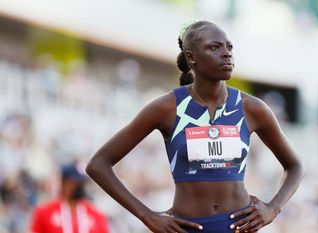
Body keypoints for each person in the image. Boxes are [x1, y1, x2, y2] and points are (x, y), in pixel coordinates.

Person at [86, 20, 304, 233]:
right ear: (192, 58)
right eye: (214, 47)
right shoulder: (167, 107)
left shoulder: (252, 108)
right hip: (186, 227)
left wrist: (273, 208)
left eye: (229, 47)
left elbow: (295, 166)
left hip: (239, 227)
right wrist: (147, 216)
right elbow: (98, 164)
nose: (227, 53)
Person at [30, 162, 109, 233]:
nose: (81, 186)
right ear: (64, 184)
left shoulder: (97, 216)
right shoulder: (44, 212)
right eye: (76, 182)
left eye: (82, 183)